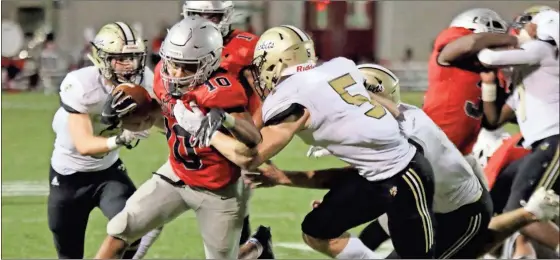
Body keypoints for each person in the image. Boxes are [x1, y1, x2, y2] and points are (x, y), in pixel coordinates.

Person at [179, 24, 437, 259]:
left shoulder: (293, 96)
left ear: (274, 62)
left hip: (405, 175)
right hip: (375, 173)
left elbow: (248, 157)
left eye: (261, 65)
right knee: (317, 230)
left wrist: (203, 130)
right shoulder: (340, 66)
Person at [94, 16, 262, 259]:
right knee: (121, 229)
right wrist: (128, 114)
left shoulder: (222, 90)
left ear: (210, 62)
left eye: (189, 66)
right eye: (174, 63)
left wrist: (217, 123)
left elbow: (249, 149)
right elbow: (163, 118)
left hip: (218, 189)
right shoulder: (163, 75)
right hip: (175, 175)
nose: (178, 73)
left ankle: (256, 246)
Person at [48, 22, 159, 259]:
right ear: (102, 58)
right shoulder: (81, 85)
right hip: (69, 176)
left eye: (133, 57)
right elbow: (84, 145)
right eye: (120, 58)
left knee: (135, 226)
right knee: (68, 254)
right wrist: (121, 138)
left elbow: (164, 121)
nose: (129, 65)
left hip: (108, 172)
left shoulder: (143, 81)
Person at [180, 3, 274, 258]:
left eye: (211, 15)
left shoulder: (247, 46)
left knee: (231, 211)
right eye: (196, 15)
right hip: (195, 131)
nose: (203, 21)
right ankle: (259, 248)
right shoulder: (181, 40)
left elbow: (265, 95)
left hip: (233, 133)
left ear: (227, 16)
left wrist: (252, 134)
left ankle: (256, 247)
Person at [477, 8, 560, 257]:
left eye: (527, 25)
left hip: (554, 142)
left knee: (525, 212)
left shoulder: (545, 50)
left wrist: (512, 41)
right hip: (541, 146)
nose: (520, 30)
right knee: (496, 207)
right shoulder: (531, 76)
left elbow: (488, 57)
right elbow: (493, 121)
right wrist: (489, 86)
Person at [423, 8, 513, 162]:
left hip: (462, 154)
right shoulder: (451, 51)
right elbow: (470, 44)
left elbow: (492, 121)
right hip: (430, 146)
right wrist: (513, 40)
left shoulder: (491, 75)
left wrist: (490, 88)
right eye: (490, 44)